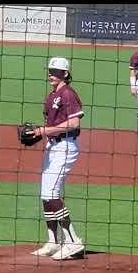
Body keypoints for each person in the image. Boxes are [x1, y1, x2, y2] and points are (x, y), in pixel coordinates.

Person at [29, 57, 85, 260]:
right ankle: (53, 240)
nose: (50, 73)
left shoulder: (68, 94)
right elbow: (52, 125)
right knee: (46, 194)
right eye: (49, 70)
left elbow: (74, 123)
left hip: (66, 146)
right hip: (53, 147)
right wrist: (39, 133)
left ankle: (73, 241)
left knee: (52, 192)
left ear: (65, 74)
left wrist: (44, 130)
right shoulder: (52, 95)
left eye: (55, 70)